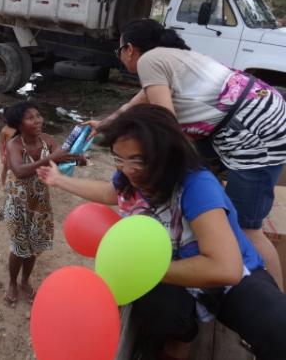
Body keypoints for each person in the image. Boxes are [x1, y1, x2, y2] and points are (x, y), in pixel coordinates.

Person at [38, 104, 286, 360]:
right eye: (118, 158)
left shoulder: (196, 185)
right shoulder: (132, 177)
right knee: (153, 307)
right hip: (173, 278)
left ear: (167, 153)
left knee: (277, 327)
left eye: (137, 160)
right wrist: (59, 180)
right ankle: (183, 334)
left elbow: (227, 269)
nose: (127, 169)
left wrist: (147, 270)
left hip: (231, 281)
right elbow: (109, 193)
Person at [89, 18, 286, 290]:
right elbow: (137, 102)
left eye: (119, 51)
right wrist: (106, 124)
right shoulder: (171, 57)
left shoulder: (150, 61)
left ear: (130, 49)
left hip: (254, 130)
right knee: (200, 179)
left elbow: (165, 120)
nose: (121, 57)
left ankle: (274, 299)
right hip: (255, 117)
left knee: (249, 228)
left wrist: (146, 162)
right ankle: (206, 237)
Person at [0, 101, 80, 307]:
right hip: (18, 204)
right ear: (19, 124)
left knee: (34, 247)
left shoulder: (47, 140)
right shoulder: (14, 144)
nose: (38, 120)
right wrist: (52, 158)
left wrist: (80, 157)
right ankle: (12, 283)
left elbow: (63, 156)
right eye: (30, 118)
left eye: (38, 115)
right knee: (19, 248)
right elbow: (20, 171)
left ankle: (25, 282)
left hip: (40, 203)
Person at [0, 107, 17, 186]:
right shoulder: (4, 130)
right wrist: (2, 155)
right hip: (8, 154)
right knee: (6, 169)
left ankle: (13, 185)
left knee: (14, 170)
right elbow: (1, 143)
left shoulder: (18, 128)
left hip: (17, 153)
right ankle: (3, 185)